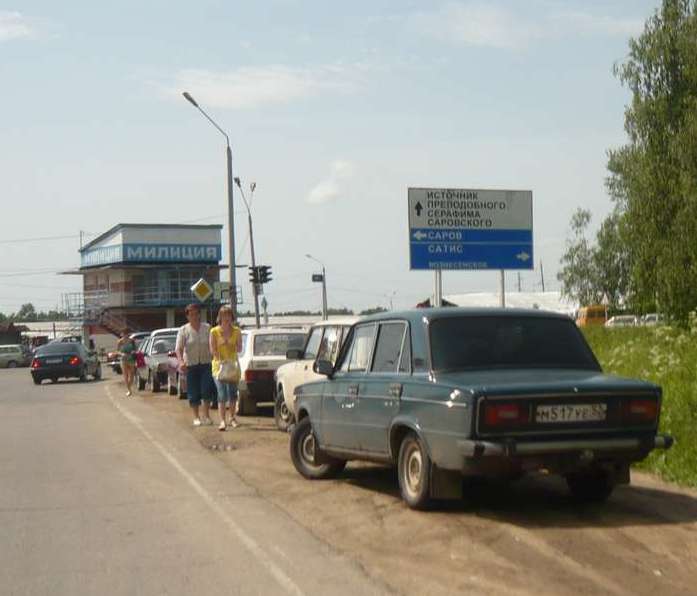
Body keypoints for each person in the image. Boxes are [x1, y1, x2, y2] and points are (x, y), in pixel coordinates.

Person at [175, 303, 214, 427]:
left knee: (206, 390)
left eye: (196, 313)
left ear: (199, 314)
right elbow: (178, 348)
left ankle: (206, 416)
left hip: (206, 364)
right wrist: (181, 361)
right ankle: (196, 417)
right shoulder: (183, 330)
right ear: (187, 316)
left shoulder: (207, 328)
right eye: (191, 314)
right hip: (190, 365)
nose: (194, 316)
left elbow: (212, 345)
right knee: (193, 392)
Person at [209, 305, 242, 431]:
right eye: (224, 316)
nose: (226, 318)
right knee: (222, 394)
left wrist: (232, 344)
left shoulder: (237, 331)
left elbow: (239, 348)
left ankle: (232, 418)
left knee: (232, 393)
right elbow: (212, 349)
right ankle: (222, 421)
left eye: (228, 316)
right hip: (219, 366)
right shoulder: (214, 331)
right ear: (220, 317)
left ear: (231, 317)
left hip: (232, 365)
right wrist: (219, 352)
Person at [117, 331, 137, 397]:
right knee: (126, 375)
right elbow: (117, 351)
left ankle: (129, 385)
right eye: (124, 334)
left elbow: (135, 349)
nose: (125, 335)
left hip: (131, 359)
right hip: (123, 360)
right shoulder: (120, 342)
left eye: (126, 334)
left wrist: (133, 352)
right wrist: (121, 354)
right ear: (122, 334)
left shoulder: (132, 341)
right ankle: (129, 390)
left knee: (132, 375)